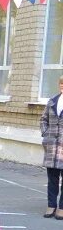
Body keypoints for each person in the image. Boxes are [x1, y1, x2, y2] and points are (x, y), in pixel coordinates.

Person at [40, 75, 63, 219]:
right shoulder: (52, 101)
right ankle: (51, 205)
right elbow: (43, 119)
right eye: (61, 83)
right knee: (52, 178)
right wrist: (45, 133)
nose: (62, 85)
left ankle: (62, 207)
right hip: (52, 146)